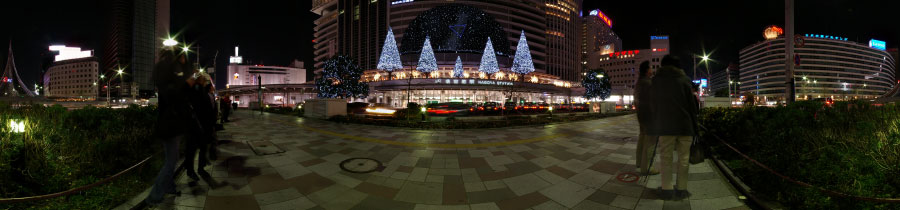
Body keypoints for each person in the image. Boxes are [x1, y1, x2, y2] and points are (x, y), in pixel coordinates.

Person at [141, 48, 196, 207]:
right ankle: (154, 196)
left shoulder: (169, 71)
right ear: (179, 57)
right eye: (184, 57)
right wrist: (187, 84)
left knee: (171, 158)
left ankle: (170, 187)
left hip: (170, 124)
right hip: (170, 124)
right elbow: (174, 96)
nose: (186, 60)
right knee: (171, 161)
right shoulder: (171, 72)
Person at [649, 55, 699, 200]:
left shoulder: (656, 81)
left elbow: (653, 105)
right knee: (684, 158)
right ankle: (682, 189)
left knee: (666, 158)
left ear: (663, 66)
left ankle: (667, 189)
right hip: (685, 125)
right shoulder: (685, 80)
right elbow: (692, 106)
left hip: (666, 125)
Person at [181, 72, 215, 181]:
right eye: (204, 79)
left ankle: (196, 169)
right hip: (197, 125)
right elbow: (204, 108)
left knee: (196, 148)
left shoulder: (200, 90)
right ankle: (193, 170)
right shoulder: (197, 90)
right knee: (194, 148)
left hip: (198, 125)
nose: (205, 81)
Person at [634, 61, 658, 175]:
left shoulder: (639, 82)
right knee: (650, 142)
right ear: (647, 70)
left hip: (641, 116)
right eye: (651, 68)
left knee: (642, 138)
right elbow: (652, 102)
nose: (652, 69)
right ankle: (647, 167)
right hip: (649, 117)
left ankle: (639, 162)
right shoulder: (648, 83)